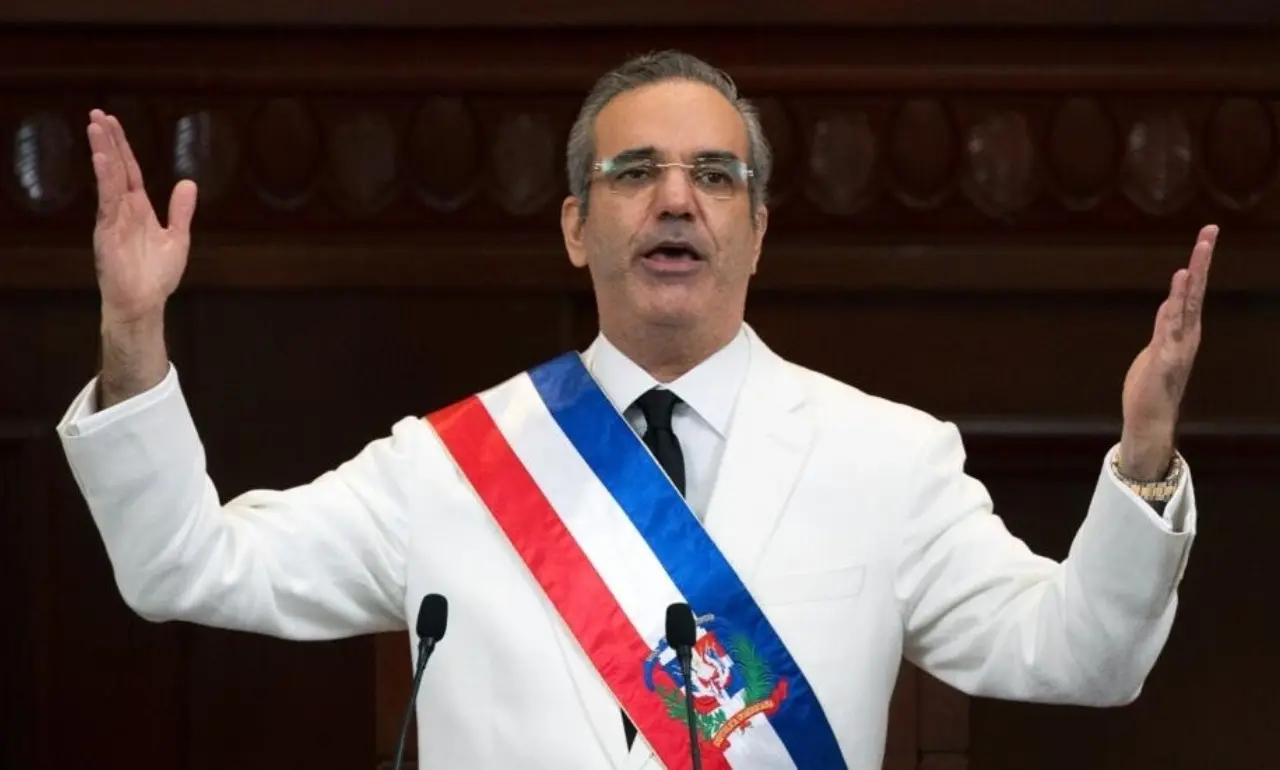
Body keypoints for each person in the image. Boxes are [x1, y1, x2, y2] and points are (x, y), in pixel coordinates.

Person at [57, 50, 1214, 770]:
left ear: (758, 230)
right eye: (634, 173)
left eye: (716, 176)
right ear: (575, 226)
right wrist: (133, 330)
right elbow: (183, 566)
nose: (677, 199)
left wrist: (1145, 460)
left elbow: (1083, 654)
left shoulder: (886, 457)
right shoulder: (449, 463)